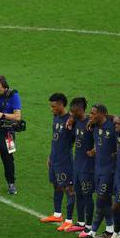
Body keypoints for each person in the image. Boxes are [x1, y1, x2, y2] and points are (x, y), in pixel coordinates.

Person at [80, 104, 115, 238]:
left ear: (102, 114)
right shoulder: (94, 127)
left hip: (109, 171)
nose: (90, 115)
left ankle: (92, 234)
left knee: (100, 200)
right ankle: (110, 230)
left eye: (94, 113)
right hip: (98, 169)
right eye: (90, 113)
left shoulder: (113, 127)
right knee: (105, 199)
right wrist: (95, 150)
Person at [40, 93, 75, 230]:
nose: (51, 109)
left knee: (69, 189)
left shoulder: (70, 120)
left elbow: (74, 138)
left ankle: (69, 220)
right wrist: (50, 155)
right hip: (54, 158)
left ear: (61, 104)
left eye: (54, 106)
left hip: (65, 160)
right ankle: (57, 214)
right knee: (56, 185)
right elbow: (55, 139)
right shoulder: (56, 117)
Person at [66, 97, 95, 233]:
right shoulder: (76, 121)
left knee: (87, 195)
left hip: (87, 167)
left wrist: (95, 150)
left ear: (81, 110)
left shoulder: (91, 123)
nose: (71, 114)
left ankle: (88, 226)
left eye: (73, 112)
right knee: (78, 193)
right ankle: (81, 222)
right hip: (77, 165)